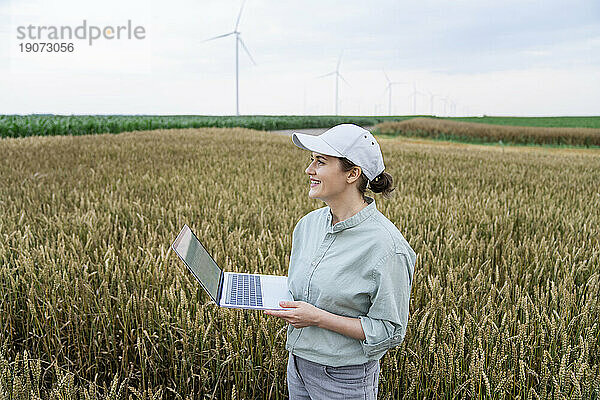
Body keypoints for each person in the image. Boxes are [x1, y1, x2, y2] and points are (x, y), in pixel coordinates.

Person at [263, 124, 417, 400]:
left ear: (352, 174)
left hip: (344, 378)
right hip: (297, 365)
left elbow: (389, 331)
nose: (309, 170)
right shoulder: (307, 225)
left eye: (320, 161)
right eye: (311, 160)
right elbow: (305, 289)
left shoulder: (387, 247)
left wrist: (318, 319)